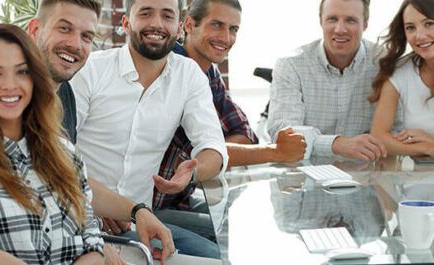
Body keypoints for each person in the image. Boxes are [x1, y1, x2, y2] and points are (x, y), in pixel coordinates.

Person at [70, 0, 228, 259]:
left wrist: (191, 172)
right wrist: (96, 204)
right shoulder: (91, 70)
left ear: (179, 28)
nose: (156, 23)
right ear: (126, 22)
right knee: (212, 257)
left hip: (142, 222)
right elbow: (57, 153)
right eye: (145, 13)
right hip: (83, 217)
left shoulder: (188, 75)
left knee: (223, 252)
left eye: (166, 16)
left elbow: (214, 146)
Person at [27, 0, 174, 264]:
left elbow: (69, 180)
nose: (75, 44)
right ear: (35, 29)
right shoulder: (11, 99)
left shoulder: (65, 95)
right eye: (64, 29)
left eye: (86, 36)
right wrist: (90, 240)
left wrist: (136, 210)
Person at [152, 0, 306, 240]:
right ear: (189, 25)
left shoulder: (209, 72)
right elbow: (205, 155)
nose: (226, 37)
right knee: (226, 245)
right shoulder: (171, 70)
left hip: (180, 201)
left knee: (253, 227)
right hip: (146, 209)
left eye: (233, 29)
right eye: (217, 25)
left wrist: (215, 152)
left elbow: (243, 135)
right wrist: (276, 151)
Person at [0, 23, 103, 265]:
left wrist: (92, 257)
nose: (10, 84)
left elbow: (91, 236)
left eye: (22, 72)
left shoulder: (66, 154)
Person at [267, 0, 401, 161]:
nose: (340, 29)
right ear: (320, 21)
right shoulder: (291, 65)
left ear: (365, 24)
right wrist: (336, 144)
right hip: (306, 177)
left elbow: (398, 130)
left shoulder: (386, 63)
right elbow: (283, 134)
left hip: (369, 175)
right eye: (332, 19)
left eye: (350, 20)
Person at [370, 0, 434, 157]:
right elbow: (378, 136)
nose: (419, 36)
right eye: (410, 27)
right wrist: (427, 148)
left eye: (429, 24)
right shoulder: (400, 71)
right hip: (418, 177)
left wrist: (431, 141)